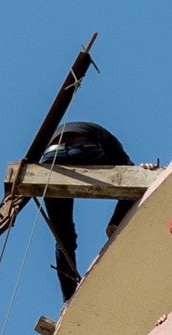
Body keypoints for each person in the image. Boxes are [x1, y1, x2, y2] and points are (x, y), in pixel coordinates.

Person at [39, 122, 135, 301]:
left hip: (51, 156)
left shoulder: (56, 132)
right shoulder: (110, 141)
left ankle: (69, 298)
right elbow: (128, 166)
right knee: (133, 184)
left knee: (63, 239)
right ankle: (115, 223)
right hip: (84, 149)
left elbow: (27, 171)